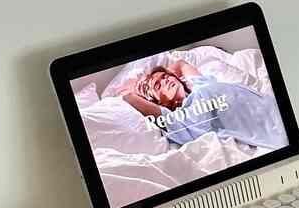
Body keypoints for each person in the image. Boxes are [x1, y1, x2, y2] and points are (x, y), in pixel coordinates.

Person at [123, 58, 287, 149]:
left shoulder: (201, 86)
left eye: (166, 77)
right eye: (159, 86)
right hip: (277, 127)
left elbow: (181, 64)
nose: (166, 81)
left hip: (276, 104)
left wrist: (160, 74)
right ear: (159, 102)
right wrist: (135, 89)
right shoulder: (180, 118)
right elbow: (129, 97)